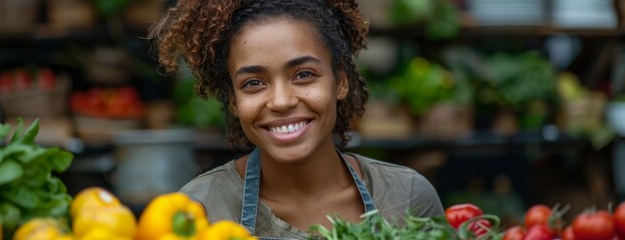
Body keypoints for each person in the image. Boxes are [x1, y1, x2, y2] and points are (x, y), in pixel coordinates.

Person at [149, 0, 444, 238]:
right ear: (234, 100)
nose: (281, 101)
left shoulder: (407, 197)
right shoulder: (199, 210)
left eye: (303, 75)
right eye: (253, 83)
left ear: (340, 81)